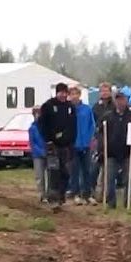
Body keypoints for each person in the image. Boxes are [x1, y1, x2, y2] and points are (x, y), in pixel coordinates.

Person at [38, 83, 78, 211]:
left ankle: (61, 196)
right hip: (52, 146)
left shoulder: (70, 107)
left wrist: (72, 142)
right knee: (54, 172)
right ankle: (53, 199)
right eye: (61, 92)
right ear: (57, 93)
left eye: (65, 92)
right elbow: (41, 124)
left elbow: (73, 126)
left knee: (65, 173)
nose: (63, 95)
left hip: (67, 146)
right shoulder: (48, 106)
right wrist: (47, 140)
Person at [100, 92, 131, 208]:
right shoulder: (107, 117)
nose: (120, 102)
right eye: (118, 100)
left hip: (128, 153)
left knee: (128, 179)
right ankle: (111, 203)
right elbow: (100, 133)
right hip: (111, 153)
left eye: (122, 99)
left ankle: (127, 202)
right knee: (109, 179)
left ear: (126, 101)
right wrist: (103, 147)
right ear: (115, 101)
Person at [69, 85, 97, 205]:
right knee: (74, 170)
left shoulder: (87, 109)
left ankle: (88, 194)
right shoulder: (68, 109)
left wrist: (90, 139)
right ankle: (76, 194)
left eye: (76, 94)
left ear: (79, 95)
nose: (74, 96)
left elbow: (92, 125)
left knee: (87, 170)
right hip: (73, 145)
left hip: (85, 144)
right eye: (72, 94)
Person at [28, 108, 47, 203]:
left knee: (49, 176)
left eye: (39, 113)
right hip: (37, 155)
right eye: (36, 114)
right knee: (39, 176)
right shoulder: (32, 128)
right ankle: (41, 194)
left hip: (47, 153)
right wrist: (41, 152)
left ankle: (49, 194)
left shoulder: (46, 127)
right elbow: (32, 143)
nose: (38, 115)